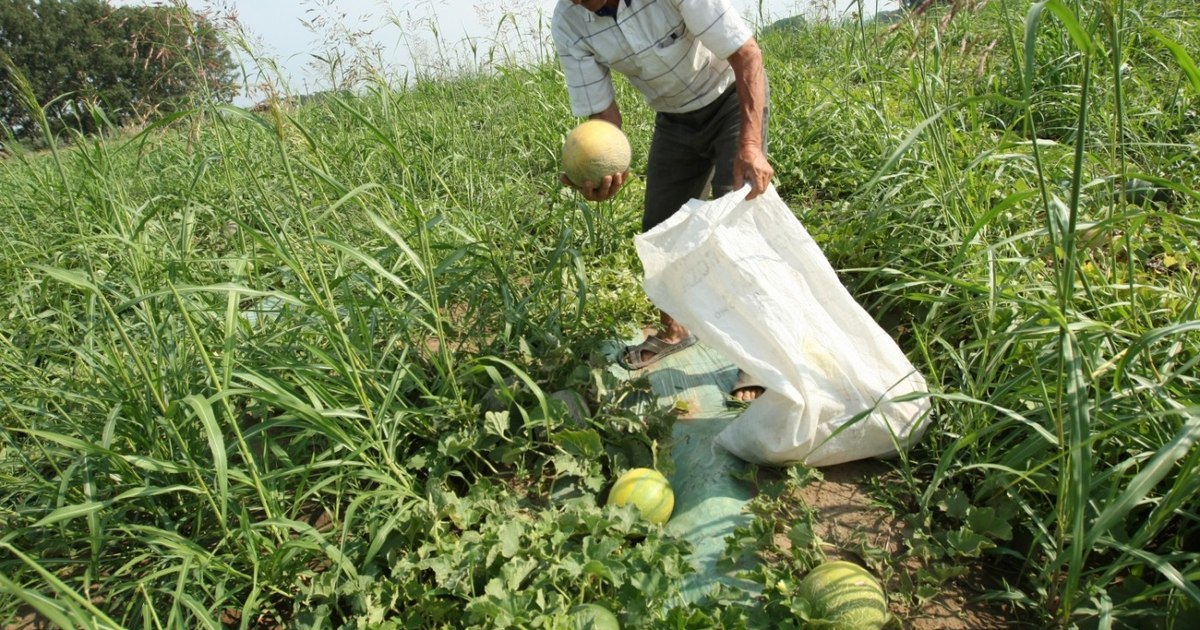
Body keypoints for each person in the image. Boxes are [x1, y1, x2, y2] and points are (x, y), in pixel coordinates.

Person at [551, 0, 773, 401]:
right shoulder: (569, 23)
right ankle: (676, 331)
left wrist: (751, 145)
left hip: (730, 100)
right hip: (675, 121)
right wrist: (600, 170)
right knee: (661, 231)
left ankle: (756, 357)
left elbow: (746, 54)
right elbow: (604, 121)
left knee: (734, 225)